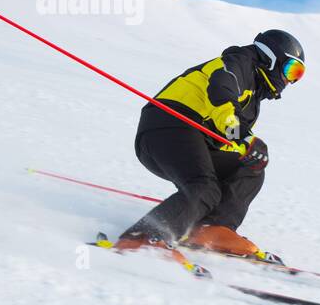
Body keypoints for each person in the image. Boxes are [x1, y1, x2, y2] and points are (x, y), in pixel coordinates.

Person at [111, 30, 306, 269]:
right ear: (271, 58)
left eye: (298, 76)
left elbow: (228, 131)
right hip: (167, 125)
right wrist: (243, 137)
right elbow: (221, 97)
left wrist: (247, 145)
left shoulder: (253, 97)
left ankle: (210, 228)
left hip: (195, 137)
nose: (291, 81)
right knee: (203, 186)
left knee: (250, 166)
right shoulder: (236, 64)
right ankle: (143, 238)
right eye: (291, 70)